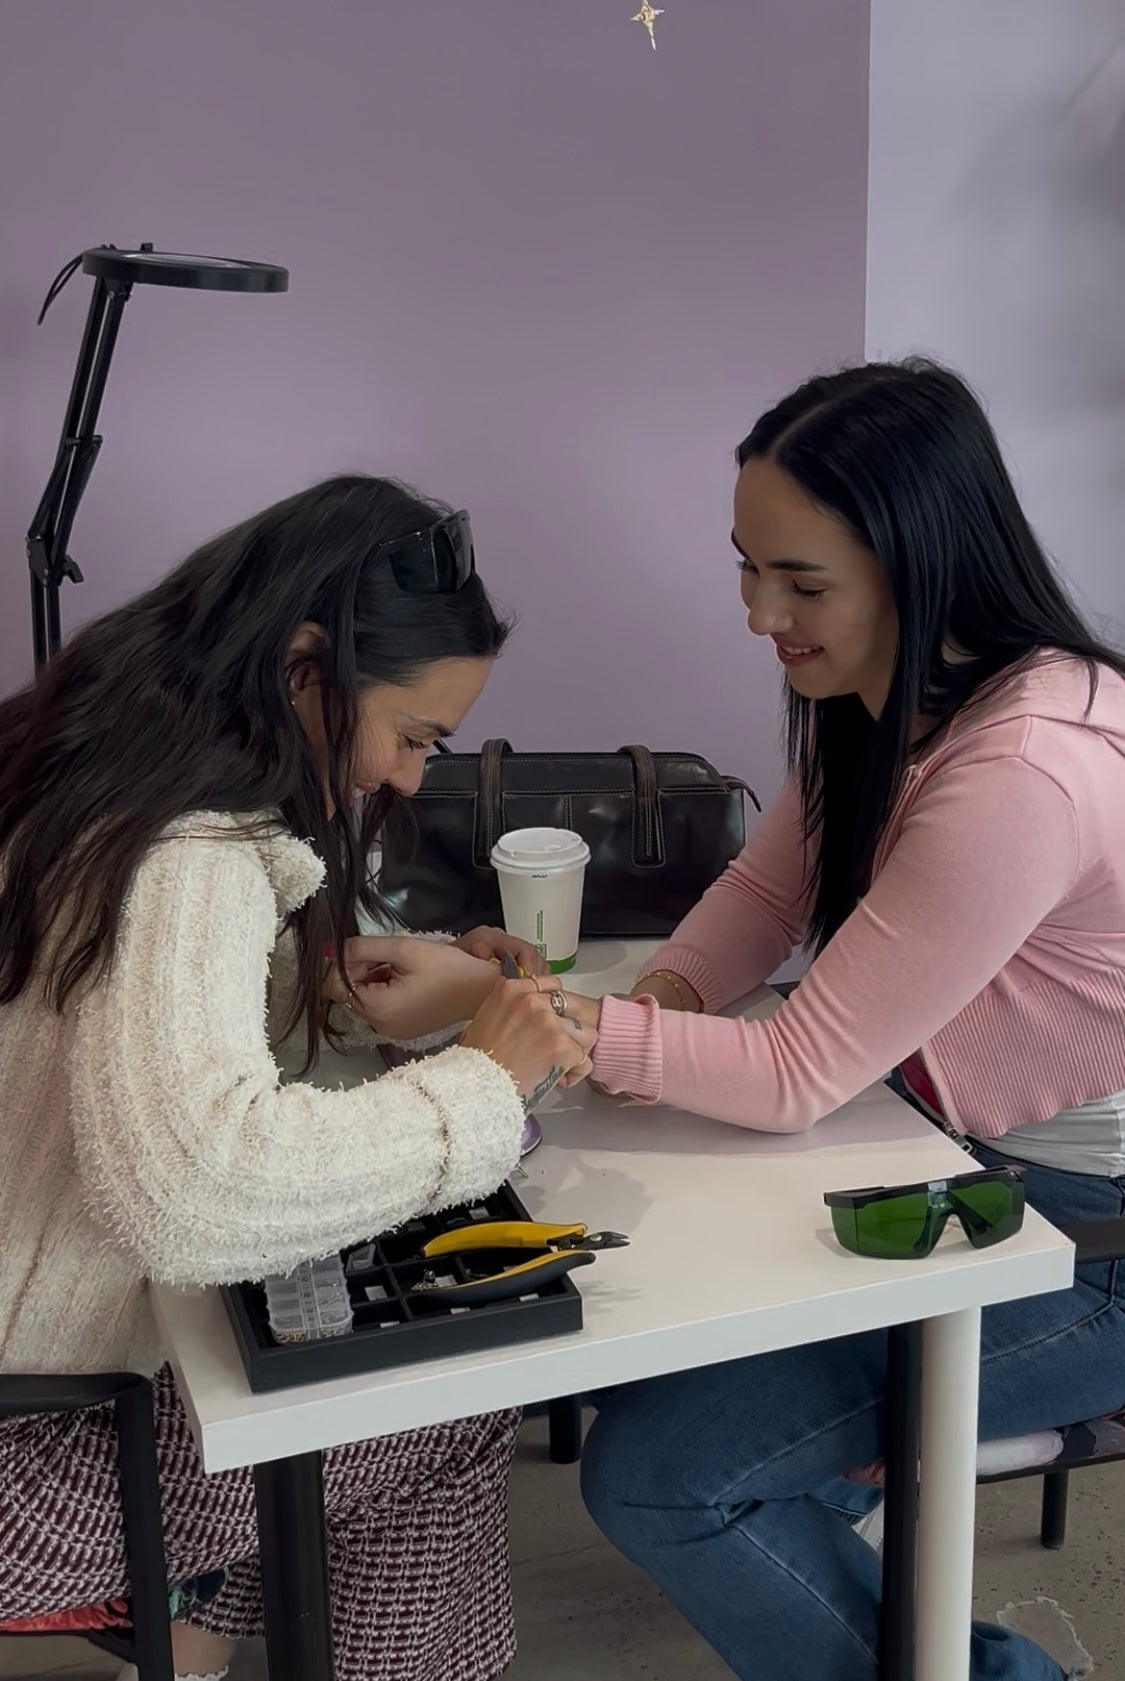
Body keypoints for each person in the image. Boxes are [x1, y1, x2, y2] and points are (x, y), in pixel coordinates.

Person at [566, 361, 1125, 1681]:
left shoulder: (1025, 769)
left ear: (920, 562)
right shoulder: (891, 698)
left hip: (1085, 1245)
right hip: (943, 1159)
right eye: (747, 566)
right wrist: (659, 998)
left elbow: (795, 1073)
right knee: (646, 1347)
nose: (760, 613)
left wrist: (553, 1024)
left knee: (657, 1473)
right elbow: (770, 893)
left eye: (801, 583)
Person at [0, 475, 596, 1681]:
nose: (411, 776)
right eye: (413, 736)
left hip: (36, 1406)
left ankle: (201, 1636)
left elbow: (122, 1035)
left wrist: (325, 987)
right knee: (445, 1400)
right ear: (305, 667)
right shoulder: (187, 848)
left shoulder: (111, 764)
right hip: (29, 1462)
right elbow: (191, 1187)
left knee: (341, 1360)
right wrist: (482, 1086)